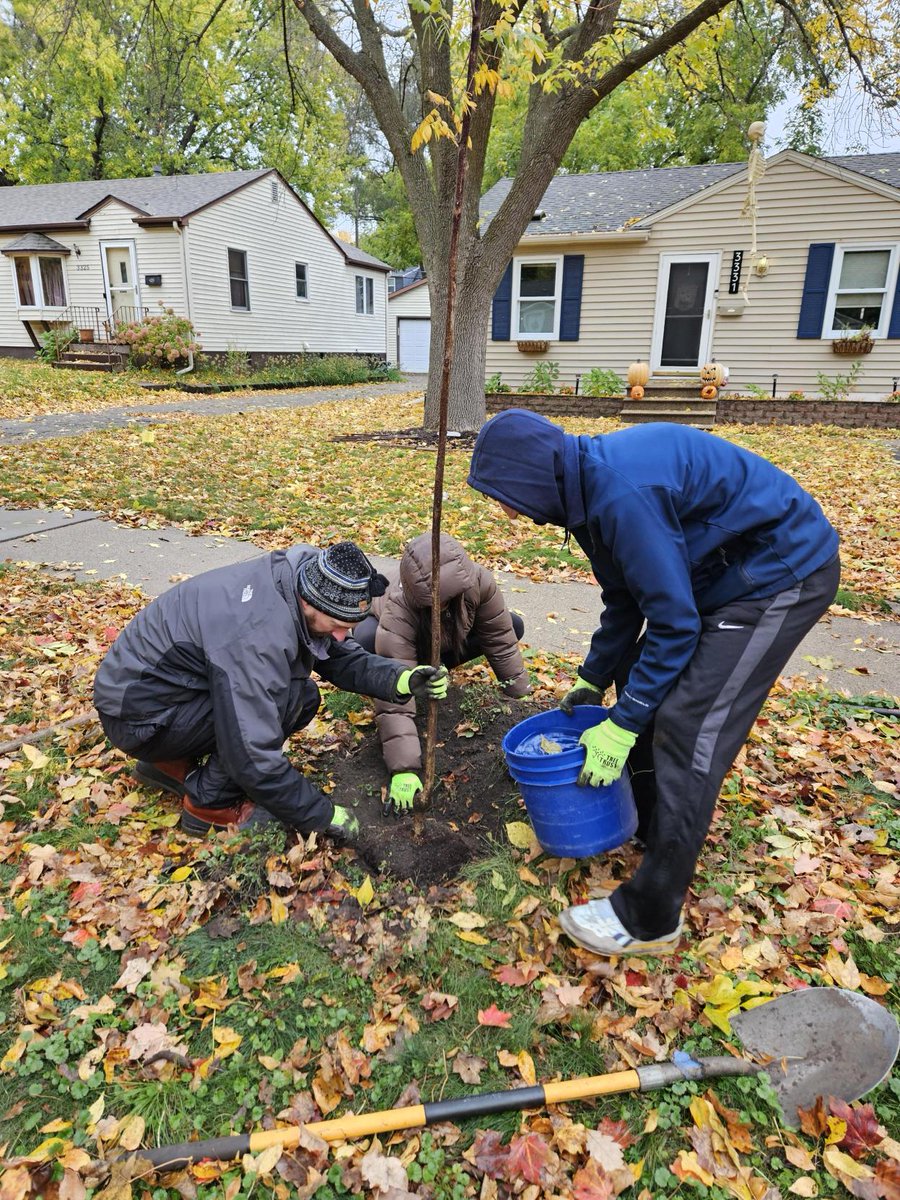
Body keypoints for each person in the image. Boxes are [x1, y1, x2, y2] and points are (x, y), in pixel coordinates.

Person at [467, 409, 840, 957]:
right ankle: (648, 819)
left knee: (690, 727)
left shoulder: (620, 495)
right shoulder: (584, 495)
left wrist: (621, 728)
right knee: (637, 677)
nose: (506, 510)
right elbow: (625, 598)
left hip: (782, 572)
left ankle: (650, 917)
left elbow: (673, 622)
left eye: (504, 495)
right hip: (721, 575)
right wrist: (594, 681)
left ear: (530, 479)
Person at [93, 541, 449, 838]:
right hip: (139, 717)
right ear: (311, 603)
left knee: (300, 696)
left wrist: (401, 678)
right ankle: (210, 802)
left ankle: (167, 764)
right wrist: (321, 816)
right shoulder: (257, 635)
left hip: (164, 694)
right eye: (339, 625)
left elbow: (338, 654)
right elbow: (252, 751)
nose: (343, 635)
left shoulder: (298, 581)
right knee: (290, 697)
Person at [352, 532, 531, 814]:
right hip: (400, 640)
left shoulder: (478, 582)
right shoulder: (399, 609)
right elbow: (394, 692)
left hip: (448, 640)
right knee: (366, 638)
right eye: (438, 602)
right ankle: (419, 673)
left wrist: (519, 695)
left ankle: (437, 669)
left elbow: (500, 638)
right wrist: (404, 768)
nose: (444, 605)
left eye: (451, 599)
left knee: (512, 624)